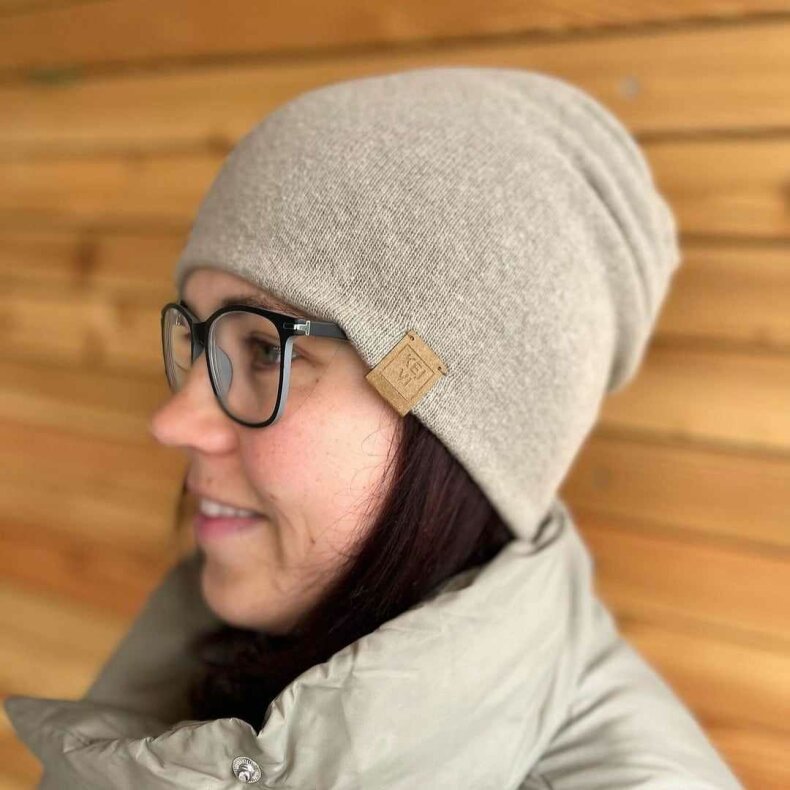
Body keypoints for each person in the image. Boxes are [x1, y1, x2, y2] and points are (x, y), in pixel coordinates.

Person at [4, 65, 743, 789]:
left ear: (445, 420)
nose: (172, 422)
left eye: (265, 350)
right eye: (199, 340)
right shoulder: (210, 657)